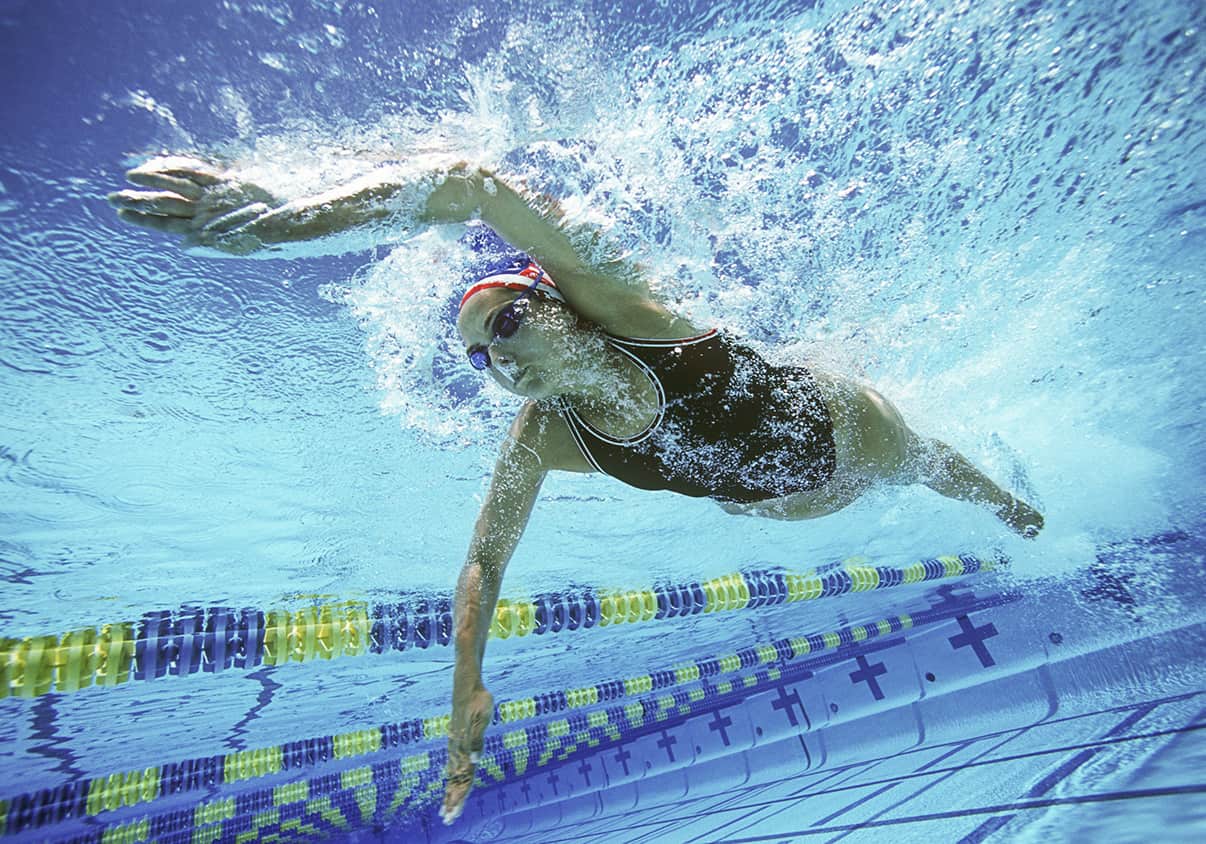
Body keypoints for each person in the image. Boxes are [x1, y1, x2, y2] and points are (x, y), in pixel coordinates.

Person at [109, 155, 1044, 823]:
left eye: (508, 322)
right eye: (480, 355)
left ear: (554, 300)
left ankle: (1008, 504)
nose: (499, 358)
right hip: (780, 498)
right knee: (781, 494)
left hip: (841, 430)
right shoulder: (547, 436)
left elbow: (471, 182)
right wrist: (467, 680)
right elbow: (483, 552)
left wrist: (279, 221)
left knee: (921, 462)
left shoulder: (626, 307)